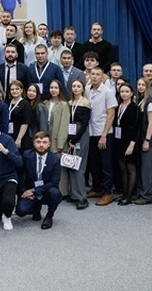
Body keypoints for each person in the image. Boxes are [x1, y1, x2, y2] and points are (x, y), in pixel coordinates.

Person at [85, 67, 117, 206]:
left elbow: (111, 115)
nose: (95, 76)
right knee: (94, 163)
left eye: (98, 74)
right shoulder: (86, 89)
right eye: (92, 74)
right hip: (91, 132)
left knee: (106, 164)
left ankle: (107, 192)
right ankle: (97, 188)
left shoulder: (107, 92)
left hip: (103, 133)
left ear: (102, 77)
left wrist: (104, 135)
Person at [16, 132, 61, 230]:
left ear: (49, 144)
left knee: (55, 193)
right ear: (34, 143)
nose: (41, 145)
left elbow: (54, 182)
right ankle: (36, 209)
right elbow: (19, 174)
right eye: (38, 142)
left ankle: (49, 216)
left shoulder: (55, 159)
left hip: (46, 191)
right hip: (30, 191)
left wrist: (34, 190)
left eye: (44, 142)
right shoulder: (27, 155)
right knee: (20, 211)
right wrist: (24, 191)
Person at [113, 83, 140, 205]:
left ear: (131, 93)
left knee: (130, 168)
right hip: (119, 141)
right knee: (122, 168)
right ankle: (124, 193)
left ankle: (128, 196)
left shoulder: (134, 108)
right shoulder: (118, 106)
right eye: (122, 91)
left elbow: (136, 127)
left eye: (127, 91)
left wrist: (132, 144)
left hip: (130, 142)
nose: (124, 94)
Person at [67, 79, 92, 209]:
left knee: (79, 165)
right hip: (71, 133)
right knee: (71, 164)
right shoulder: (70, 102)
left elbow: (84, 124)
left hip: (80, 135)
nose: (76, 88)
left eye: (78, 86)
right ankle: (74, 194)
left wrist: (75, 139)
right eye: (74, 86)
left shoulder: (85, 103)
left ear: (82, 89)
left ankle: (82, 197)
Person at [133, 77, 152, 205]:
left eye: (143, 85)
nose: (140, 87)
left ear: (148, 87)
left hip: (147, 140)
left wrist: (147, 140)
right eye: (139, 84)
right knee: (141, 167)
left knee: (147, 169)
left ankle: (147, 195)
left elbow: (151, 123)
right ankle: (140, 192)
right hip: (139, 139)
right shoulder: (139, 100)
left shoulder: (150, 102)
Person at [44, 79, 70, 196]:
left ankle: (62, 191)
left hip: (58, 139)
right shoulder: (45, 103)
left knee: (60, 168)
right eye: (51, 88)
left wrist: (61, 144)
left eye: (56, 88)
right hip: (46, 138)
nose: (53, 90)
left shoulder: (64, 104)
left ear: (60, 90)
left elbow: (64, 125)